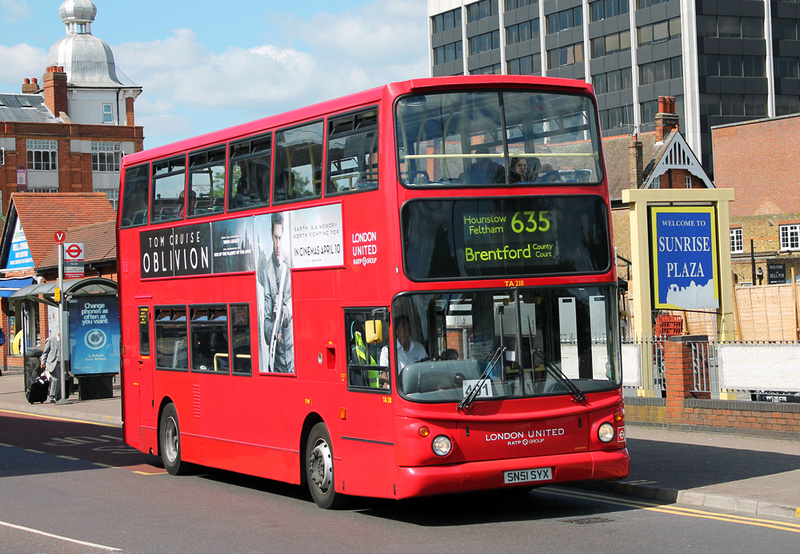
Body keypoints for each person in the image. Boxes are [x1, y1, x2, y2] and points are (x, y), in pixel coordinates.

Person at [263, 212, 294, 373]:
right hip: (279, 361)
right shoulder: (267, 271)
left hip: (295, 354)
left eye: (280, 238)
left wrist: (287, 310)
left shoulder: (291, 265)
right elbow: (266, 321)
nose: (278, 245)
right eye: (275, 238)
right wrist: (274, 333)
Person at [41, 332, 61, 403]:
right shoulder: (51, 340)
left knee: (60, 380)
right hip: (53, 363)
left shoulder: (64, 341)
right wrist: (43, 362)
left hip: (61, 363)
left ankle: (59, 396)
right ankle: (52, 396)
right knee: (56, 379)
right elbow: (45, 352)